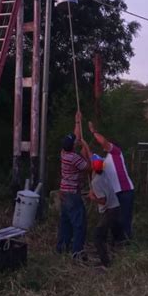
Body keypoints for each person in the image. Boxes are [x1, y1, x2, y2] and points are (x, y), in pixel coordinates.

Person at [88, 121, 135, 239]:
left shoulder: (116, 152)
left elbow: (103, 142)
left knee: (124, 218)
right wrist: (83, 143)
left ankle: (125, 241)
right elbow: (89, 156)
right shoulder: (104, 160)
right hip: (114, 193)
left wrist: (93, 131)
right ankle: (118, 241)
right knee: (114, 219)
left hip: (125, 190)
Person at [57, 111, 91, 260]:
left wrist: (77, 121)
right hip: (72, 194)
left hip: (63, 192)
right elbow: (89, 167)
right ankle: (77, 252)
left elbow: (75, 138)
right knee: (79, 223)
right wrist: (86, 150)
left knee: (65, 222)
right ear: (73, 146)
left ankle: (61, 247)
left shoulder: (64, 153)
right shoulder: (75, 158)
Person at [88, 155, 125, 267]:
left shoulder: (96, 182)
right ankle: (111, 256)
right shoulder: (104, 173)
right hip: (115, 207)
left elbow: (103, 201)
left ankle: (106, 263)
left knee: (97, 236)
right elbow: (96, 160)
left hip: (109, 210)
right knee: (108, 235)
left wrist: (92, 197)